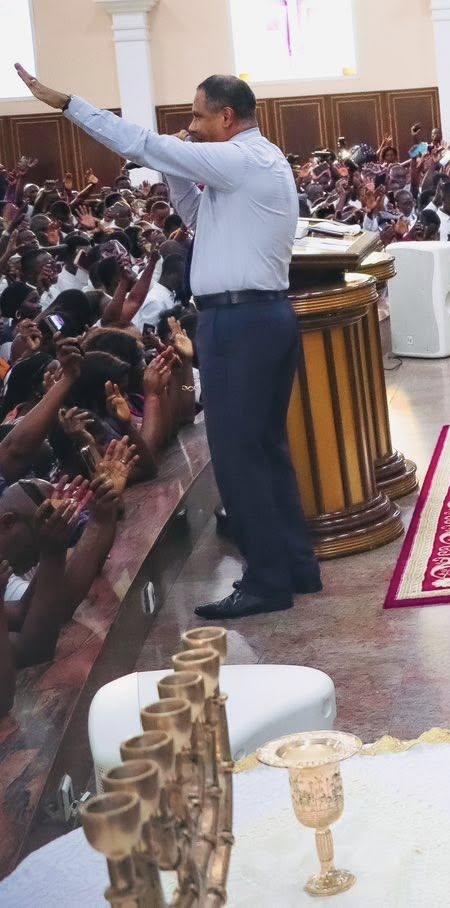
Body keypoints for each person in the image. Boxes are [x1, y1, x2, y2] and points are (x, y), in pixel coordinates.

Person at [17, 65, 319, 620]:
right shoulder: (256, 162)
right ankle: (296, 564)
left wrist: (68, 104)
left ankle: (267, 580)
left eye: (199, 117)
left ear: (227, 117)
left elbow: (140, 142)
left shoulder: (238, 158)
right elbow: (197, 215)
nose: (192, 126)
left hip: (241, 323)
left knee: (237, 454)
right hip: (259, 317)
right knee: (265, 448)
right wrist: (175, 167)